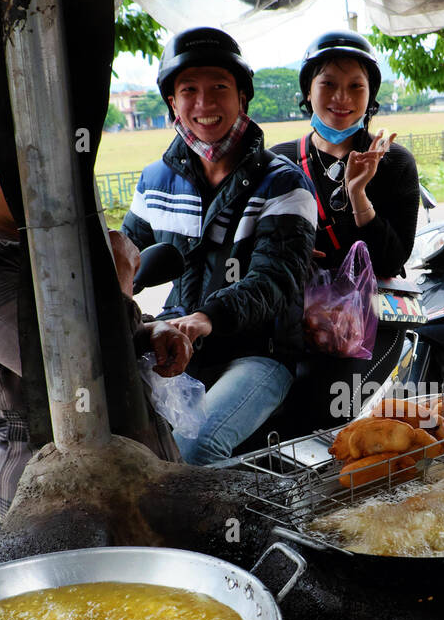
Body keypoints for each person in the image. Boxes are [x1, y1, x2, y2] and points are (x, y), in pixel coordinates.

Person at [0, 78, 189, 517]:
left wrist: (150, 332)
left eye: (49, 155)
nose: (45, 175)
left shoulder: (49, 242)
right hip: (56, 504)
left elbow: (106, 332)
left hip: (129, 473)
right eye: (18, 161)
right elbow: (79, 371)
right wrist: (119, 278)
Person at [121, 27, 316, 465]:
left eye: (219, 89)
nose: (204, 104)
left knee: (193, 449)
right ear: (172, 101)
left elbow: (276, 280)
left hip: (258, 352)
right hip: (173, 342)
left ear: (242, 98)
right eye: (188, 90)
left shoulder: (283, 182)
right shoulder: (156, 181)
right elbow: (125, 259)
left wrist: (206, 318)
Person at [271, 31, 420, 279]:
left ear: (370, 95)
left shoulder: (396, 162)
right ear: (308, 91)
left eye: (356, 86)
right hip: (301, 312)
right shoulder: (278, 162)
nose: (342, 97)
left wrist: (358, 196)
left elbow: (391, 263)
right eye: (328, 84)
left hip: (371, 313)